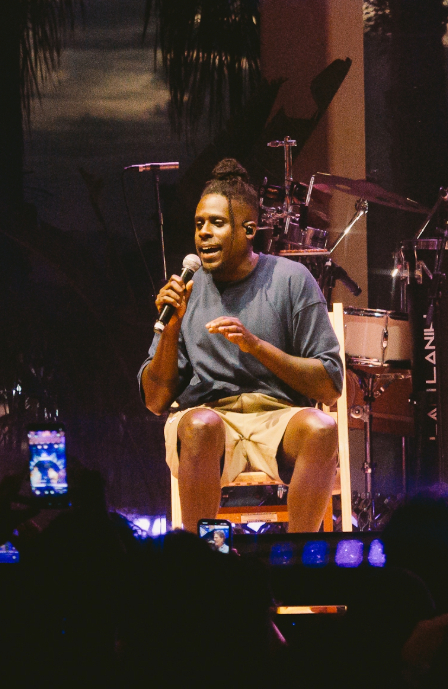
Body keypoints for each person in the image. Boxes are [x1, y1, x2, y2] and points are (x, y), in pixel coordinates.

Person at [142, 158, 344, 532]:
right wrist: (170, 329)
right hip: (210, 418)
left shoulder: (291, 280)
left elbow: (329, 386)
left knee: (322, 428)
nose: (204, 233)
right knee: (200, 426)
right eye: (199, 224)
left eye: (217, 223)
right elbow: (155, 400)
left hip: (278, 418)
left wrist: (258, 347)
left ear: (249, 228)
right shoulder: (186, 288)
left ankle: (295, 562)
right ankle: (207, 562)